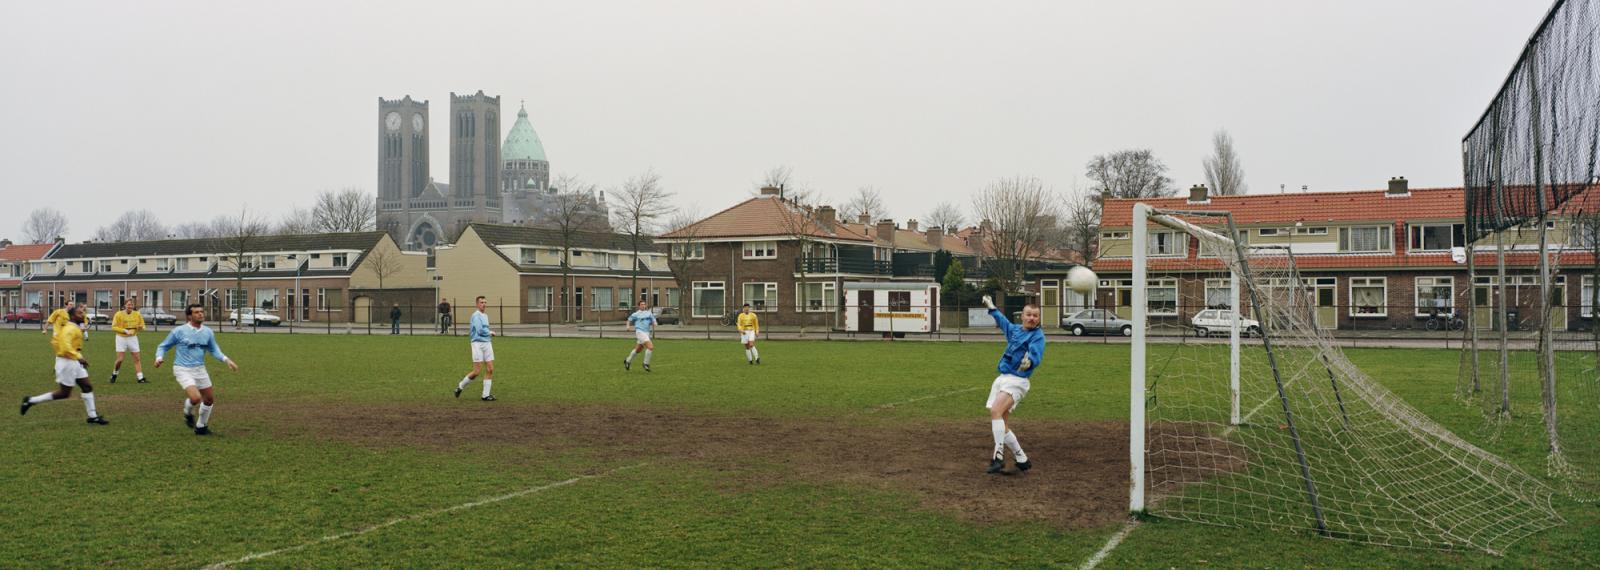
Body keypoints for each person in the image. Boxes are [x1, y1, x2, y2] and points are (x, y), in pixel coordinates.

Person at [981, 295, 1044, 475]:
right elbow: (1003, 322)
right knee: (1002, 422)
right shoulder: (1015, 330)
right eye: (1029, 315)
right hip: (1003, 378)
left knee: (995, 411)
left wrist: (1030, 362)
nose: (1032, 318)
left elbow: (1036, 353)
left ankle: (998, 457)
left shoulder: (1037, 336)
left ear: (1039, 319)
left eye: (1035, 316)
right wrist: (992, 308)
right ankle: (1022, 458)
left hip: (1017, 380)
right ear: (1022, 316)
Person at [154, 304, 239, 436]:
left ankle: (201, 427)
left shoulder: (208, 332)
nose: (201, 314)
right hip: (182, 369)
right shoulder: (179, 331)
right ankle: (188, 412)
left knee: (209, 399)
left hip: (200, 369)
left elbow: (214, 349)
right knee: (195, 398)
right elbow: (163, 346)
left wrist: (226, 360)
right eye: (196, 312)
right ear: (189, 316)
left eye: (201, 311)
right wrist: (159, 358)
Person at [20, 305, 108, 425]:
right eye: (79, 313)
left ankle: (92, 416)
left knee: (87, 387)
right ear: (72, 316)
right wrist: (79, 357)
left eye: (83, 312)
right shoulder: (70, 329)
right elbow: (65, 346)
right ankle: (31, 400)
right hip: (67, 362)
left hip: (73, 360)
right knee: (64, 393)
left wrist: (78, 358)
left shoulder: (74, 326)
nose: (83, 315)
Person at [454, 296, 496, 401]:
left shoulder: (485, 315)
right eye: (481, 302)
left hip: (487, 343)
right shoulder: (475, 315)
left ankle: (485, 395)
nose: (484, 304)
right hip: (477, 344)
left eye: (485, 302)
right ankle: (460, 386)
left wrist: (488, 335)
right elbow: (480, 330)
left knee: (490, 369)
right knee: (477, 372)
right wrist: (490, 332)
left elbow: (484, 329)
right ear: (477, 304)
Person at [110, 298, 147, 383]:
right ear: (124, 305)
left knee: (137, 358)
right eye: (128, 304)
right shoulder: (118, 314)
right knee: (120, 360)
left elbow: (143, 326)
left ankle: (140, 378)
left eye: (132, 304)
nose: (130, 306)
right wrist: (125, 331)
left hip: (133, 338)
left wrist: (141, 327)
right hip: (121, 338)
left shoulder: (137, 314)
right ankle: (114, 374)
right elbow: (114, 327)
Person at [624, 300, 657, 372]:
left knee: (638, 349)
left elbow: (653, 319)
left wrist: (654, 323)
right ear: (639, 306)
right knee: (650, 347)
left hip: (646, 333)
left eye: (644, 304)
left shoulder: (649, 313)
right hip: (639, 332)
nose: (643, 306)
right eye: (642, 304)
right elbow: (629, 320)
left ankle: (627, 360)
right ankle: (646, 363)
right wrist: (628, 326)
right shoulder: (636, 314)